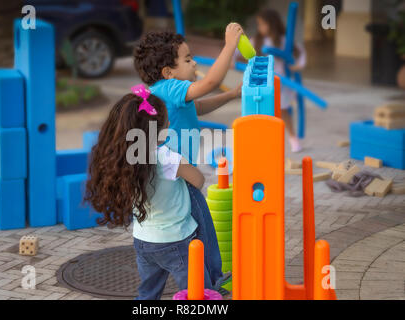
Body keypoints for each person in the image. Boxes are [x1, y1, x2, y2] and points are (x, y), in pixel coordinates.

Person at [84, 86, 223, 299]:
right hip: (177, 241)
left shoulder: (125, 160)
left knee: (148, 293)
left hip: (143, 241)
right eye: (166, 119)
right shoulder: (167, 158)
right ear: (161, 128)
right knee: (199, 293)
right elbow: (199, 180)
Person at [133, 23, 243, 289]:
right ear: (168, 72)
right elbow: (210, 82)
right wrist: (230, 45)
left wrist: (231, 95)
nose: (194, 63)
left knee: (202, 227)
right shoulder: (167, 88)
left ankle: (209, 280)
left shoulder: (170, 93)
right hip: (179, 176)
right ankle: (209, 285)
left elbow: (198, 106)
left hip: (174, 174)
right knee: (202, 228)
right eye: (188, 59)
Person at [233, 9, 307, 152]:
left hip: (281, 83)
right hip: (262, 83)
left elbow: (300, 52)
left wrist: (298, 65)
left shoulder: (284, 40)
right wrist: (232, 59)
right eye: (259, 24)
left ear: (272, 24)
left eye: (263, 24)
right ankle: (263, 142)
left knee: (283, 110)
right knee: (261, 112)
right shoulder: (257, 41)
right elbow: (238, 51)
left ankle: (293, 138)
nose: (260, 28)